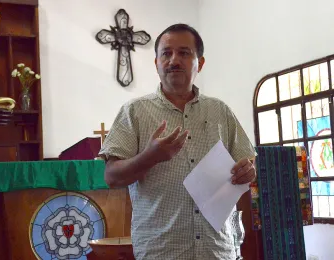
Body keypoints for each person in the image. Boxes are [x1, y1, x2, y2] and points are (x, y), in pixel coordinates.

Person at [98, 23, 256, 260]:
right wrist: (149, 157)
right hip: (161, 251)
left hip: (217, 250)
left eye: (184, 53)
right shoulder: (134, 112)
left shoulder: (220, 111)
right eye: (166, 53)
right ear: (156, 63)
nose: (174, 60)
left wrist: (248, 171)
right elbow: (111, 177)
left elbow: (247, 161)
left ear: (199, 63)